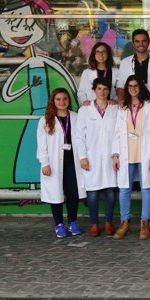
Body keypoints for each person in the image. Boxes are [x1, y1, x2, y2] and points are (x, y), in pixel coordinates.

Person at [111, 75, 150, 240]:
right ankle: (124, 222)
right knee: (124, 189)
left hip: (145, 153)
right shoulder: (122, 108)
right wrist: (115, 154)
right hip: (126, 154)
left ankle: (145, 222)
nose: (133, 88)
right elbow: (117, 133)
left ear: (141, 87)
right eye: (130, 86)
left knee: (146, 188)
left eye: (136, 85)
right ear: (126, 88)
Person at [37, 88, 85, 238]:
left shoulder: (76, 117)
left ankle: (72, 221)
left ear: (69, 100)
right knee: (55, 193)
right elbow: (41, 144)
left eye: (65, 99)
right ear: (53, 101)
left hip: (72, 162)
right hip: (54, 163)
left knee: (73, 193)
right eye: (58, 99)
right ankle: (58, 224)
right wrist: (44, 163)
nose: (62, 102)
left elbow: (82, 138)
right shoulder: (45, 120)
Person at [73, 78, 118, 237]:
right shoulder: (85, 110)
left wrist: (116, 154)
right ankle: (94, 224)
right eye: (99, 89)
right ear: (94, 90)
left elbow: (118, 134)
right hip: (91, 157)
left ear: (109, 91)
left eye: (105, 89)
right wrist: (82, 157)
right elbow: (79, 136)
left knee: (110, 191)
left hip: (110, 157)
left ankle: (108, 222)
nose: (102, 92)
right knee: (92, 192)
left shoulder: (115, 109)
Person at [116, 29, 150, 103]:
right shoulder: (125, 62)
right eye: (137, 41)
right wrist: (121, 100)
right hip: (132, 104)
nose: (141, 44)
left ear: (148, 42)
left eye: (144, 41)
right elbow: (120, 84)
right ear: (133, 43)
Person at [77, 41, 118, 106]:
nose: (101, 54)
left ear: (108, 54)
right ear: (94, 55)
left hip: (110, 107)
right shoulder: (86, 72)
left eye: (103, 52)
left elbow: (121, 91)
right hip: (91, 107)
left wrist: (115, 100)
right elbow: (81, 92)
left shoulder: (116, 72)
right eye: (98, 52)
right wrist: (84, 101)